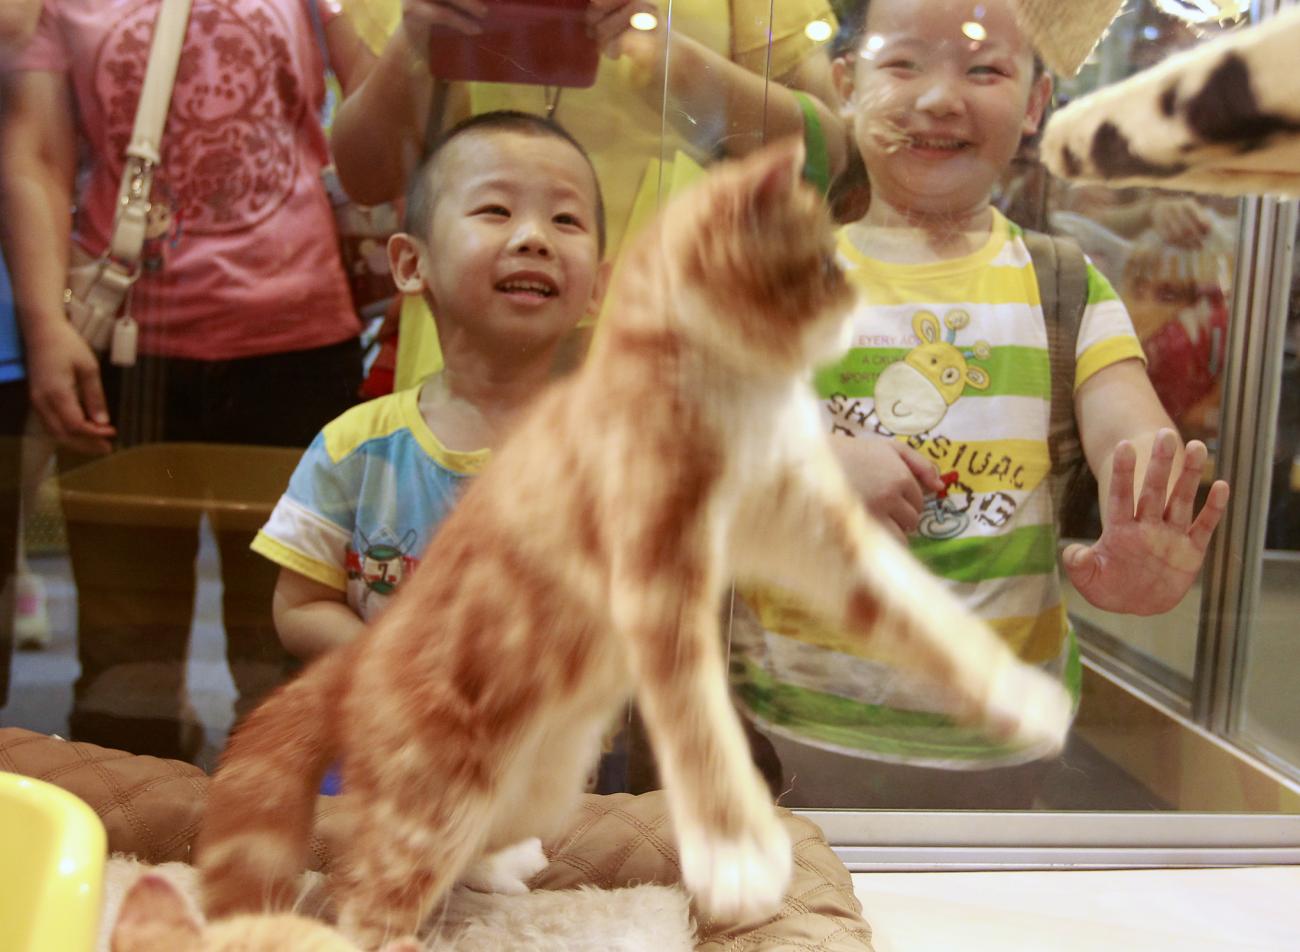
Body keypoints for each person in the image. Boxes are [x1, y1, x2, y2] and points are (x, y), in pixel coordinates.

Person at [730, 0, 1231, 808]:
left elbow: (1129, 427)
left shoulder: (1063, 284)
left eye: (984, 69)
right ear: (847, 85)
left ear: (1035, 104)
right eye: (903, 65)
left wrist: (1145, 519)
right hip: (787, 738)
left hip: (1001, 750)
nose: (939, 99)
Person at [0, 0, 375, 759]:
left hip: (298, 346)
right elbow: (35, 151)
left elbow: (381, 108)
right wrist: (45, 326)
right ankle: (132, 833)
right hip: (126, 347)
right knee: (123, 649)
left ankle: (286, 844)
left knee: (287, 642)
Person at [328, 0, 848, 391]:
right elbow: (365, 177)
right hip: (466, 364)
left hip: (677, 355)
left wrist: (675, 64)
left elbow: (831, 162)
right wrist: (414, 41)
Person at [252, 111, 608, 661]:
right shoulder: (357, 447)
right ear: (411, 263)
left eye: (566, 219)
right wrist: (393, 669)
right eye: (496, 210)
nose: (535, 238)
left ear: (597, 289)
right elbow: (300, 605)